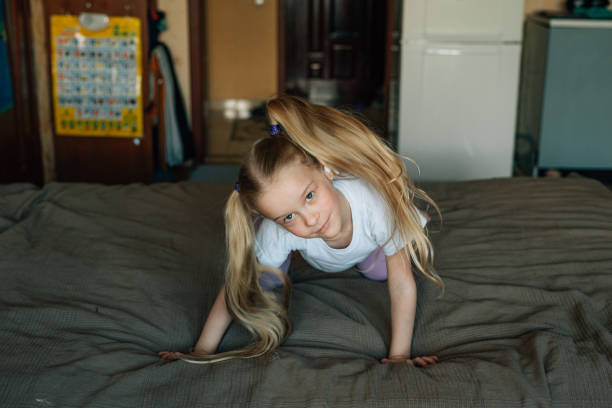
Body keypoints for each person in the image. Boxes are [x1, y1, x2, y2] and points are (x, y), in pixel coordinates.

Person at [159, 95, 442, 366]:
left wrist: (399, 356)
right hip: (297, 248)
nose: (310, 220)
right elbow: (234, 289)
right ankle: (282, 251)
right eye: (289, 216)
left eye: (309, 196)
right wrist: (201, 350)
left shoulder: (374, 207)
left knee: (380, 272)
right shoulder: (280, 232)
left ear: (327, 169)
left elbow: (403, 285)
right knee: (263, 284)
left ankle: (413, 218)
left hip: (366, 243)